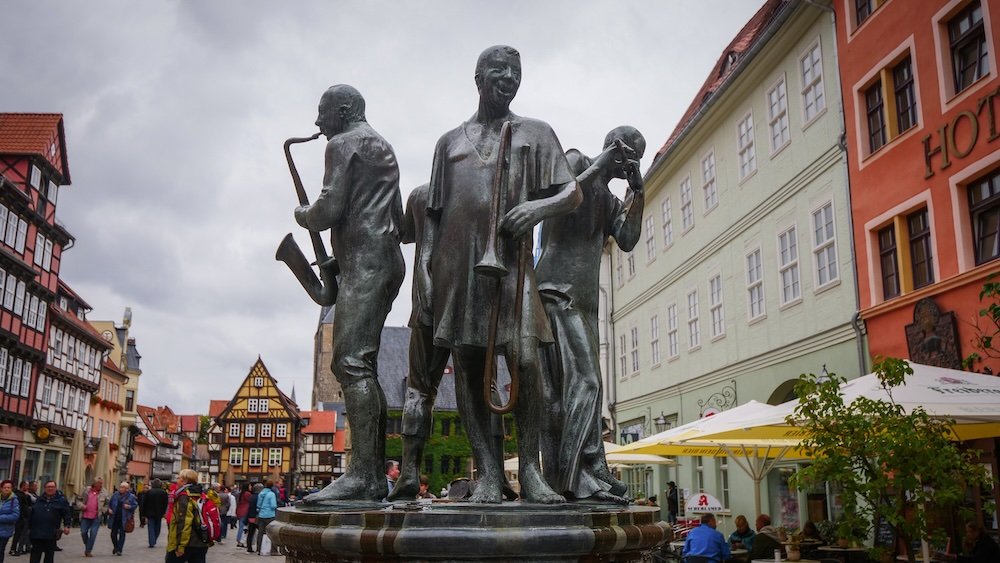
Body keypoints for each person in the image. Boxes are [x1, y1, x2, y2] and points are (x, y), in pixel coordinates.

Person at [415, 44, 581, 504]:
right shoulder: (448, 142)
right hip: (458, 265)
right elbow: (432, 214)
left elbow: (572, 194)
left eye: (516, 72)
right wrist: (425, 272)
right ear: (478, 77)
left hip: (511, 264)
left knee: (526, 361)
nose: (508, 78)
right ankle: (489, 473)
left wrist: (536, 207)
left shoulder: (535, 132)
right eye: (498, 70)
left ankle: (530, 471)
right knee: (468, 367)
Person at [296, 83, 405, 504]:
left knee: (350, 363)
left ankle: (362, 475)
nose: (318, 123)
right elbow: (391, 217)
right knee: (363, 366)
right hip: (381, 261)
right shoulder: (383, 147)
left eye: (323, 112)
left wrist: (303, 214)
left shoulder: (343, 143)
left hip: (367, 265)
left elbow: (327, 209)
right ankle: (372, 474)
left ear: (342, 110)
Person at [536, 126, 644, 504]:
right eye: (628, 154)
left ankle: (592, 469)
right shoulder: (578, 160)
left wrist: (638, 192)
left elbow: (627, 239)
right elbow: (562, 198)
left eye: (636, 159)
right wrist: (600, 163)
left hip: (584, 304)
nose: (629, 162)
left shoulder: (611, 200)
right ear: (613, 147)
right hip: (555, 291)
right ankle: (573, 477)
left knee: (580, 389)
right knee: (587, 382)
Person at [386, 183, 454, 501]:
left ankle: (409, 471)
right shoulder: (471, 190)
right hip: (467, 303)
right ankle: (492, 477)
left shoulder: (421, 194)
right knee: (484, 388)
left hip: (426, 306)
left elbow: (402, 235)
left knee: (418, 390)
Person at [165, 469, 210, 563]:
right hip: (201, 541)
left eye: (179, 478)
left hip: (188, 543)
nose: (177, 480)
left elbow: (184, 523)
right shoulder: (201, 495)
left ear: (184, 481)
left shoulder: (184, 497)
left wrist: (180, 546)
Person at [27, 480, 70, 563]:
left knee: (49, 556)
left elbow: (67, 514)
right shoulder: (39, 500)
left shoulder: (61, 500)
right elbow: (32, 514)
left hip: (51, 533)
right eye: (48, 487)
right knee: (35, 556)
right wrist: (29, 528)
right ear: (44, 488)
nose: (50, 489)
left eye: (52, 487)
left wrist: (67, 526)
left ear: (55, 488)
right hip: (36, 533)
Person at [76, 479, 109, 557]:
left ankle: (88, 550)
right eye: (99, 483)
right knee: (83, 532)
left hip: (96, 517)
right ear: (94, 483)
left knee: (93, 534)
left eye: (101, 483)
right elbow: (78, 499)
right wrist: (81, 506)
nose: (101, 485)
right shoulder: (86, 490)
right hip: (85, 516)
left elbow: (107, 504)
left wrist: (103, 510)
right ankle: (88, 545)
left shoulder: (104, 492)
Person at [107, 481, 137, 556]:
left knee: (122, 534)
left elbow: (135, 505)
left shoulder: (131, 496)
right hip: (115, 517)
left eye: (122, 487)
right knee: (113, 534)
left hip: (125, 518)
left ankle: (119, 550)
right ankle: (116, 547)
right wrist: (109, 509)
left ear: (127, 489)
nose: (120, 488)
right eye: (120, 487)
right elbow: (109, 504)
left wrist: (129, 507)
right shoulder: (115, 495)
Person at [139, 478, 168, 548]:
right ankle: (154, 539)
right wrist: (164, 512)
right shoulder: (164, 492)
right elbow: (165, 504)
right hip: (159, 513)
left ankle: (151, 541)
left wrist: (142, 513)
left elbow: (144, 503)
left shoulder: (149, 492)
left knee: (151, 527)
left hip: (150, 513)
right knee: (158, 527)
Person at [255, 480, 277, 555]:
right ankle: (273, 550)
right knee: (272, 533)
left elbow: (258, 505)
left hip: (261, 515)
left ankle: (259, 549)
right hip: (270, 515)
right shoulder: (271, 494)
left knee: (260, 533)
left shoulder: (261, 493)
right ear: (272, 486)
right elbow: (273, 505)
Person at [0, 480, 20, 563]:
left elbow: (15, 516)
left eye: (9, 487)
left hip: (5, 531)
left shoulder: (14, 500)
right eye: (5, 487)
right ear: (1, 488)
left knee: (0, 550)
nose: (6, 489)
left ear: (11, 489)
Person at [10, 482, 30, 557]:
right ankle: (13, 549)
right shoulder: (18, 495)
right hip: (20, 517)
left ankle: (16, 548)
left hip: (23, 517)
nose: (28, 487)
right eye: (27, 486)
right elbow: (20, 506)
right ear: (23, 486)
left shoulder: (24, 494)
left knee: (20, 534)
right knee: (17, 534)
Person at [244, 484, 262, 554]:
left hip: (251, 516)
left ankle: (249, 548)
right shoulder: (260, 497)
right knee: (260, 532)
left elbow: (250, 508)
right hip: (258, 516)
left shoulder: (251, 497)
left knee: (250, 533)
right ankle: (259, 547)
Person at [235, 483, 251, 548]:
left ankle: (239, 540)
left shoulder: (240, 493)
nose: (251, 487)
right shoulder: (247, 494)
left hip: (239, 510)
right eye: (249, 486)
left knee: (240, 526)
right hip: (245, 511)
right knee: (244, 527)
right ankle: (241, 541)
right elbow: (250, 501)